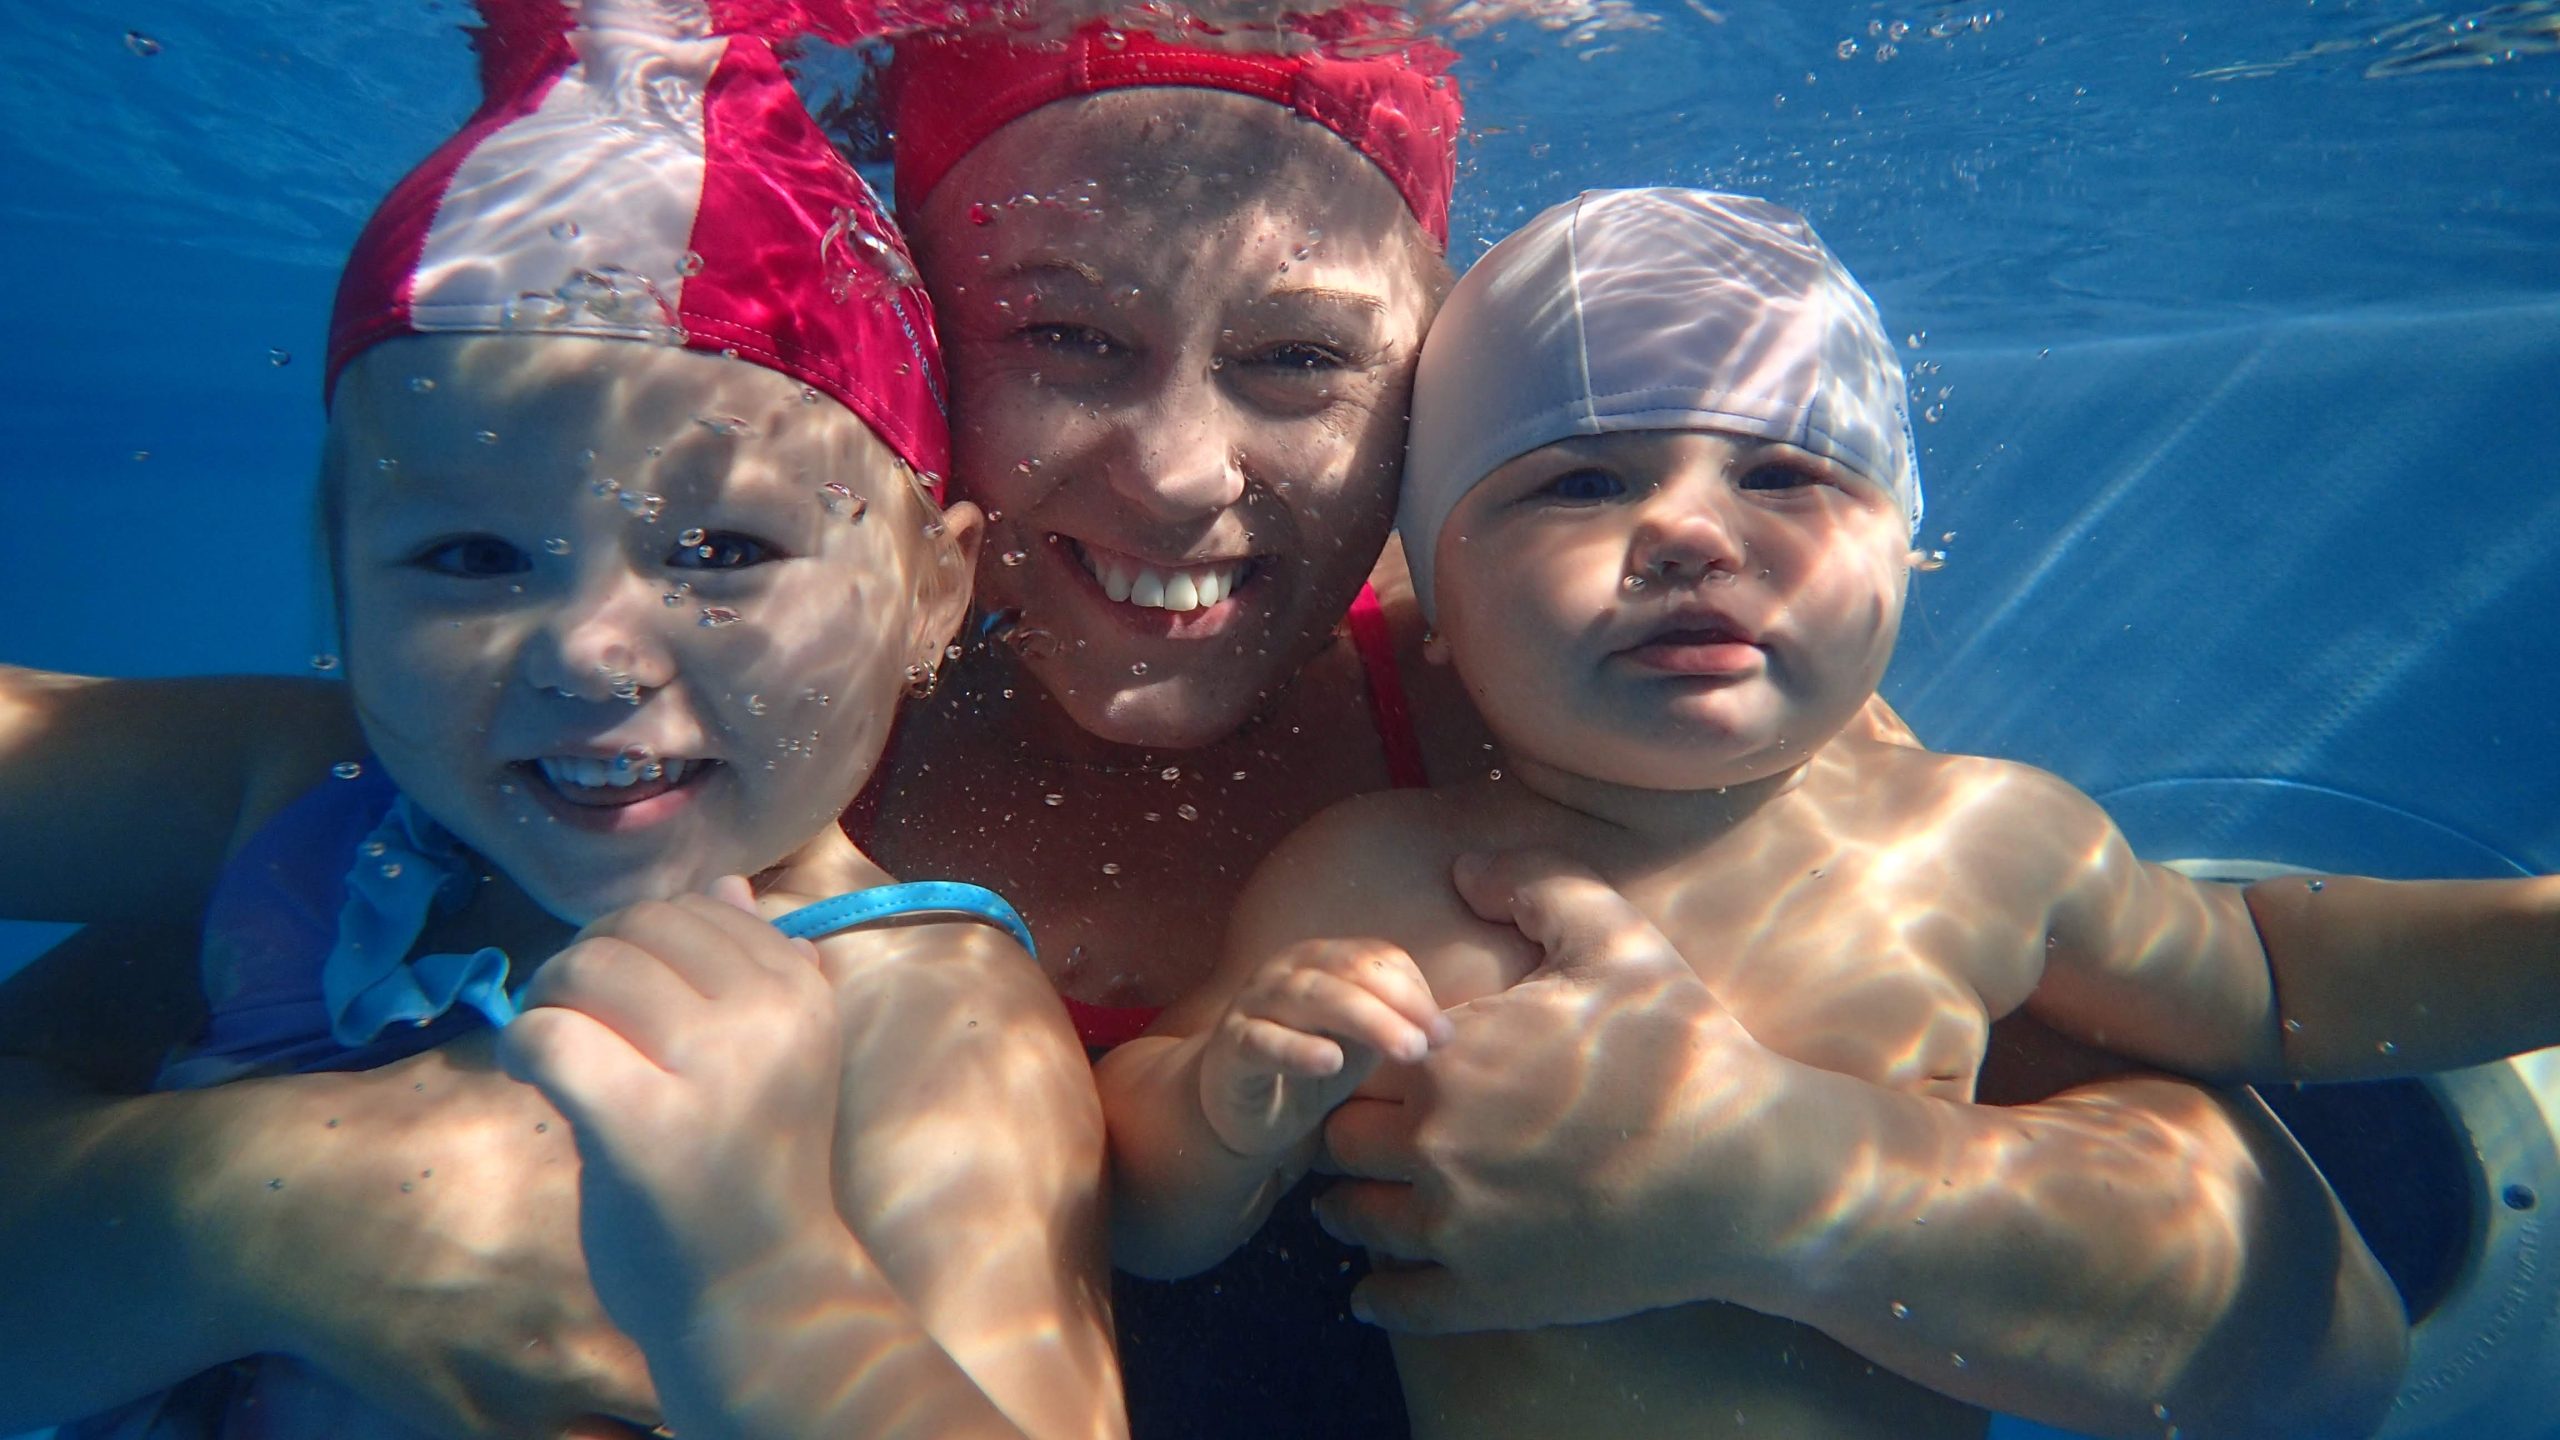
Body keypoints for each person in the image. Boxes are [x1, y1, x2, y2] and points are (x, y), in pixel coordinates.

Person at [0, 13, 2411, 1440]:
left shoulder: (1553, 719)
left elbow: (2319, 1336)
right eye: (1058, 338)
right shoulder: (666, 725)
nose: (1176, 475)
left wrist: (1817, 1192)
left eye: (1293, 363)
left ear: (1422, 392)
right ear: (908, 388)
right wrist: (242, 1208)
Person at [1098, 188, 2443, 1438]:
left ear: (1904, 551)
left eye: (1787, 475)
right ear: (1432, 601)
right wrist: (1222, 1110)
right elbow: (1145, 1215)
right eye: (1583, 482)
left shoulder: (1978, 840)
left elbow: (2271, 980)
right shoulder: (1376, 878)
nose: (1690, 531)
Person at [0, 5, 1119, 1439]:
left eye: (721, 551)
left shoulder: (923, 1011)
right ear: (339, 569)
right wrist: (251, 1207)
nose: (591, 653)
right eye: (470, 557)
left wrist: (757, 1285)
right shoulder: (307, 802)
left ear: (931, 594)